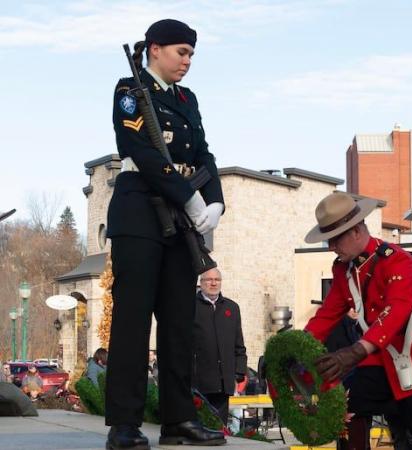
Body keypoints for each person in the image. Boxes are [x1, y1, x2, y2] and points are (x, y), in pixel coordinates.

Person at [105, 19, 226, 450]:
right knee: (132, 322)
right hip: (139, 211)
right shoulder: (130, 90)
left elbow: (204, 152)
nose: (187, 61)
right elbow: (138, 149)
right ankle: (124, 424)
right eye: (181, 52)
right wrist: (185, 194)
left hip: (181, 219)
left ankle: (179, 420)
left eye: (191, 54)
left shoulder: (185, 99)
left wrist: (213, 200)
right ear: (154, 50)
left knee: (178, 323)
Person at [304, 192, 412, 450]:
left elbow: (397, 311)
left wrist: (355, 351)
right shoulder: (344, 269)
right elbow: (327, 314)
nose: (331, 247)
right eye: (327, 241)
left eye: (334, 239)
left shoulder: (399, 261)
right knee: (346, 406)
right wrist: (299, 346)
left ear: (356, 231)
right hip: (380, 360)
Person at [192, 267, 247, 427]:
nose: (213, 283)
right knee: (201, 426)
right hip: (199, 381)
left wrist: (239, 371)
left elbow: (239, 344)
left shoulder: (231, 308)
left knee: (219, 427)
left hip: (224, 382)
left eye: (217, 280)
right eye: (209, 280)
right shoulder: (191, 306)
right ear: (201, 283)